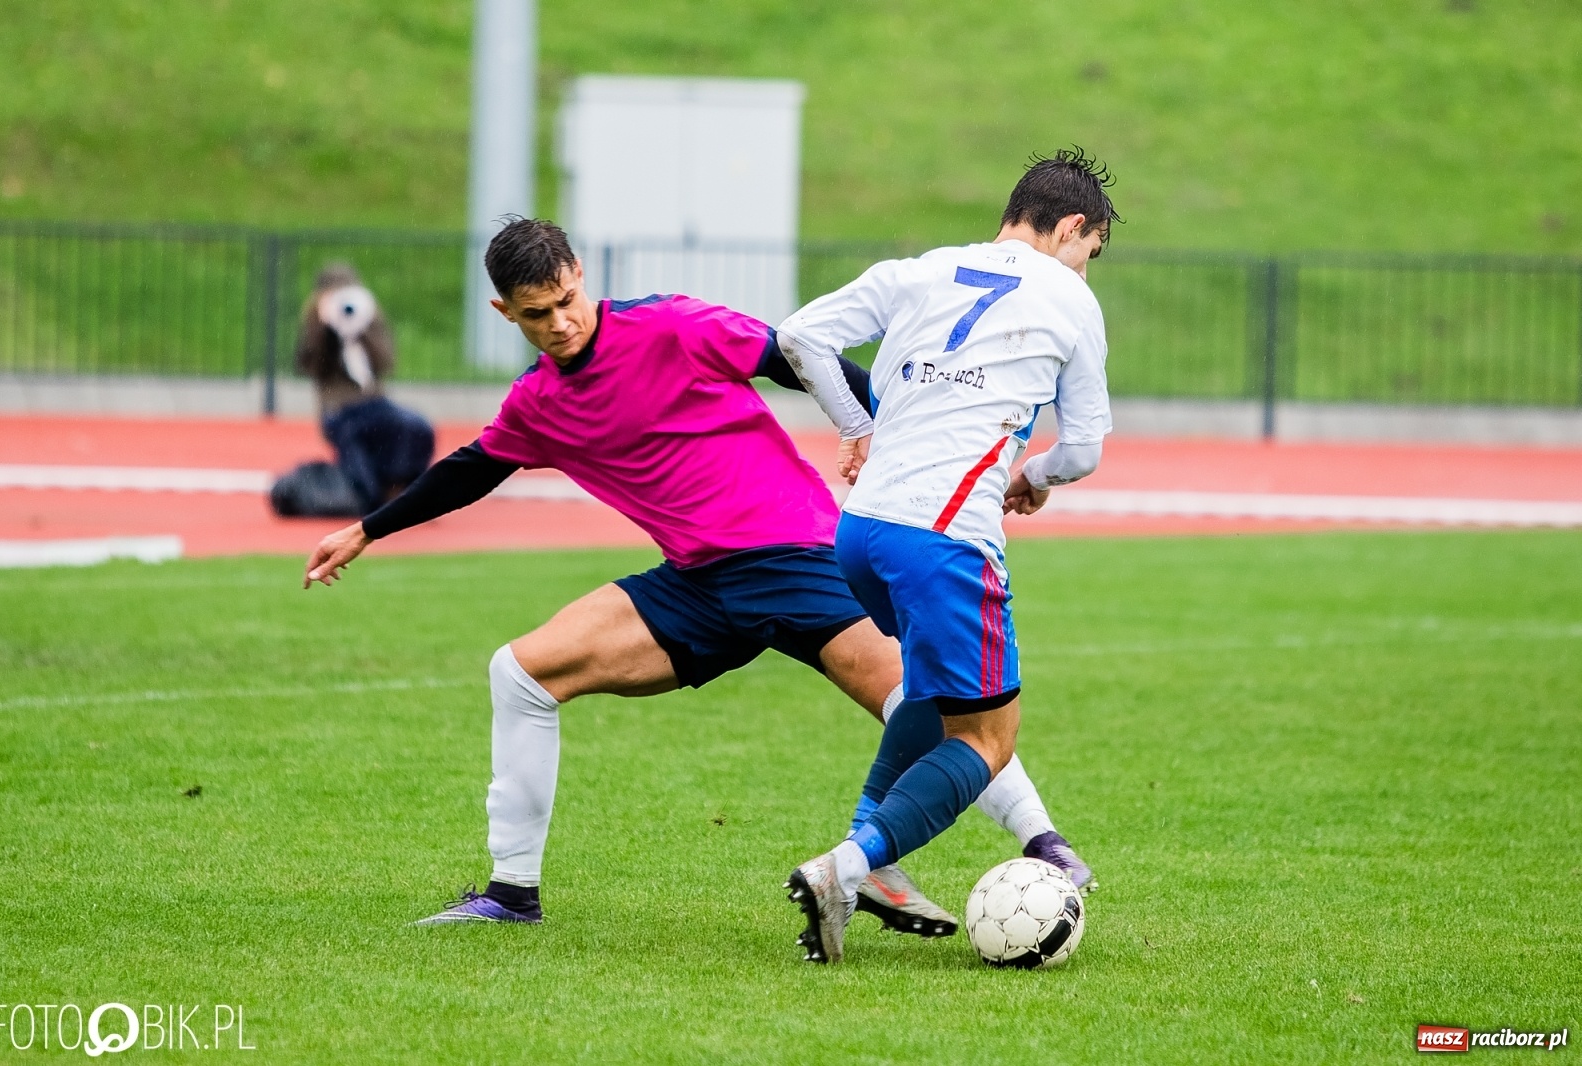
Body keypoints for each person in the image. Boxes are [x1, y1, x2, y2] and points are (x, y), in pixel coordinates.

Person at [302, 218, 1094, 932]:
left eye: (568, 299)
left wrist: (885, 433)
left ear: (581, 273)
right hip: (697, 586)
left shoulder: (674, 326)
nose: (562, 322)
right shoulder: (538, 403)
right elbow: (470, 471)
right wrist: (367, 530)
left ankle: (1040, 844)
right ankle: (512, 894)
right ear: (506, 313)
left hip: (794, 551)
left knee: (923, 698)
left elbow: (794, 357)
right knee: (520, 673)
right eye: (537, 314)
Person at [778, 148, 1118, 963]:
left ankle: (875, 858)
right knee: (988, 738)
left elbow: (799, 337)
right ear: (1073, 228)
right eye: (1090, 250)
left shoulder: (924, 269)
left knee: (934, 692)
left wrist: (856, 427)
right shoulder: (1069, 297)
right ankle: (847, 865)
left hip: (860, 531)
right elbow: (1084, 451)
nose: (1086, 267)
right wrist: (1031, 478)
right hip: (946, 539)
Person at [290, 263, 436, 514]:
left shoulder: (367, 318)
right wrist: (328, 330)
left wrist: (361, 331)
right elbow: (309, 364)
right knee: (354, 435)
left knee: (418, 428)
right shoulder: (316, 325)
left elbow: (386, 362)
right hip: (340, 409)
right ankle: (369, 497)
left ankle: (405, 490)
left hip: (374, 403)